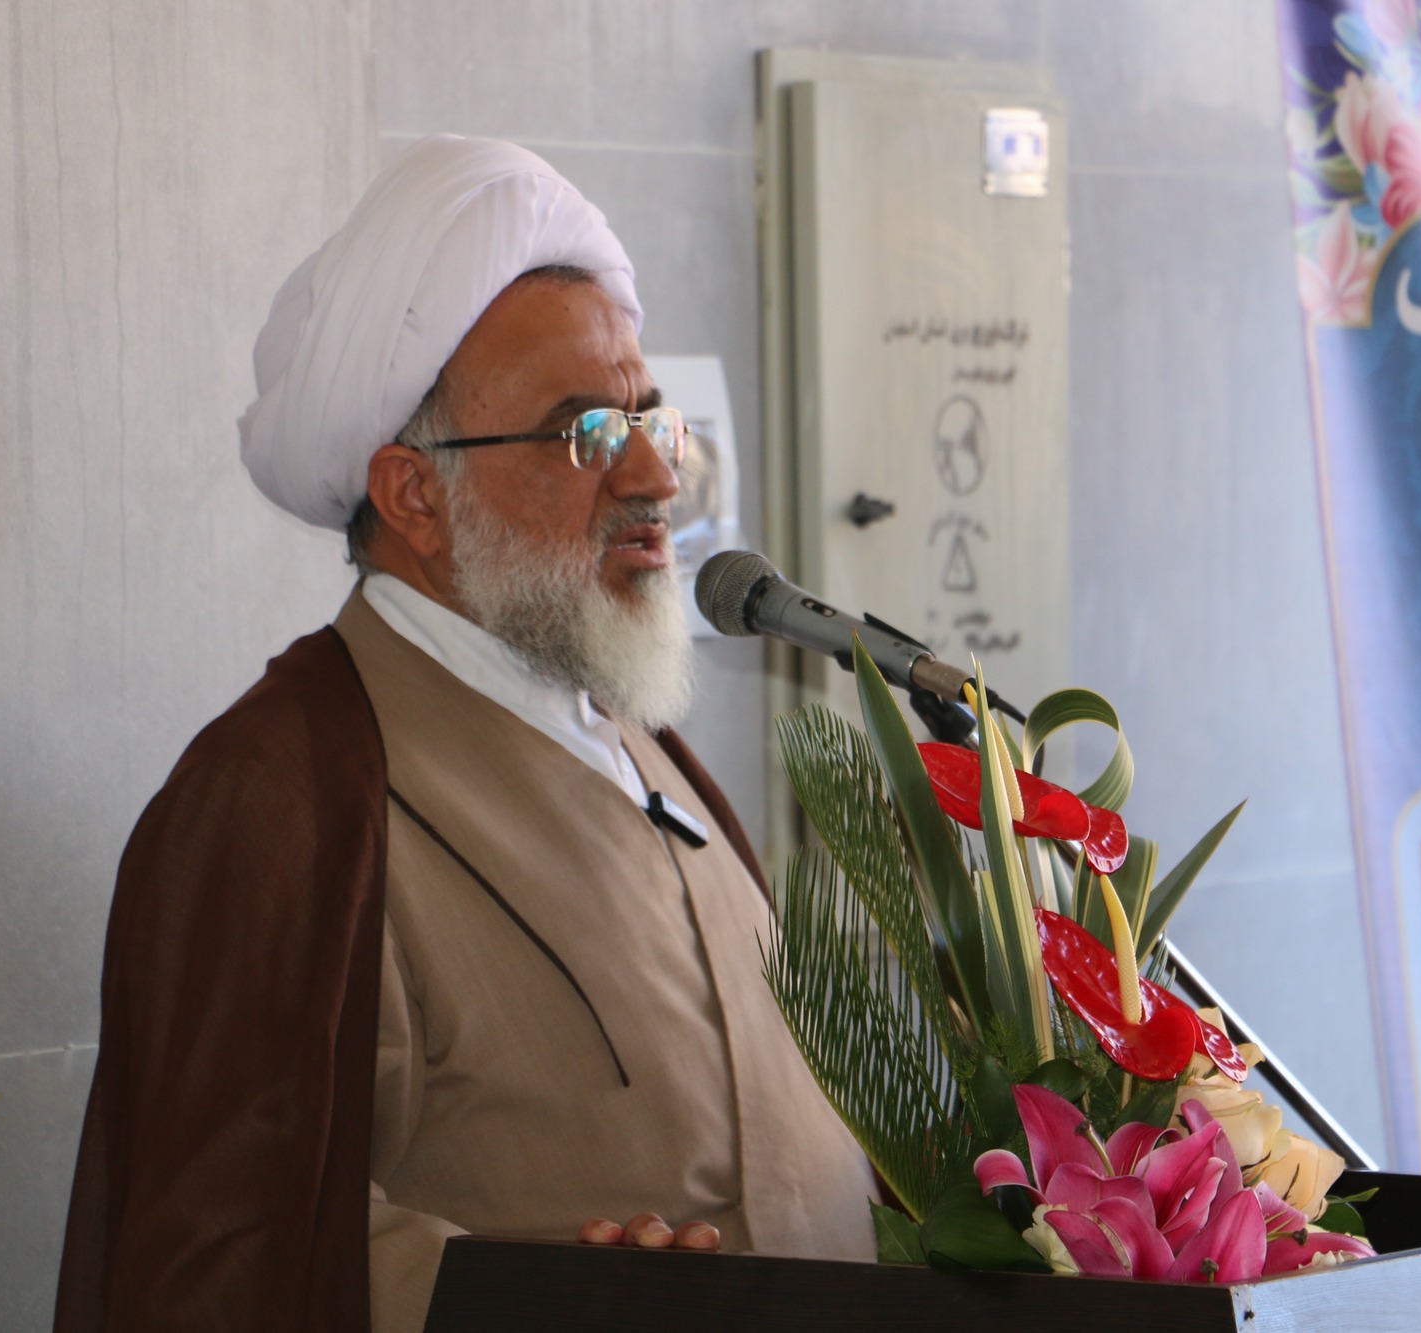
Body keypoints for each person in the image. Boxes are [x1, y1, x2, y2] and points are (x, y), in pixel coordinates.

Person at [53, 135, 875, 1333]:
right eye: (586, 433)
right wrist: (550, 1305)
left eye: (650, 421)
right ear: (413, 495)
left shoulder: (628, 735)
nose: (653, 478)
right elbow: (230, 1259)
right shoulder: (282, 798)